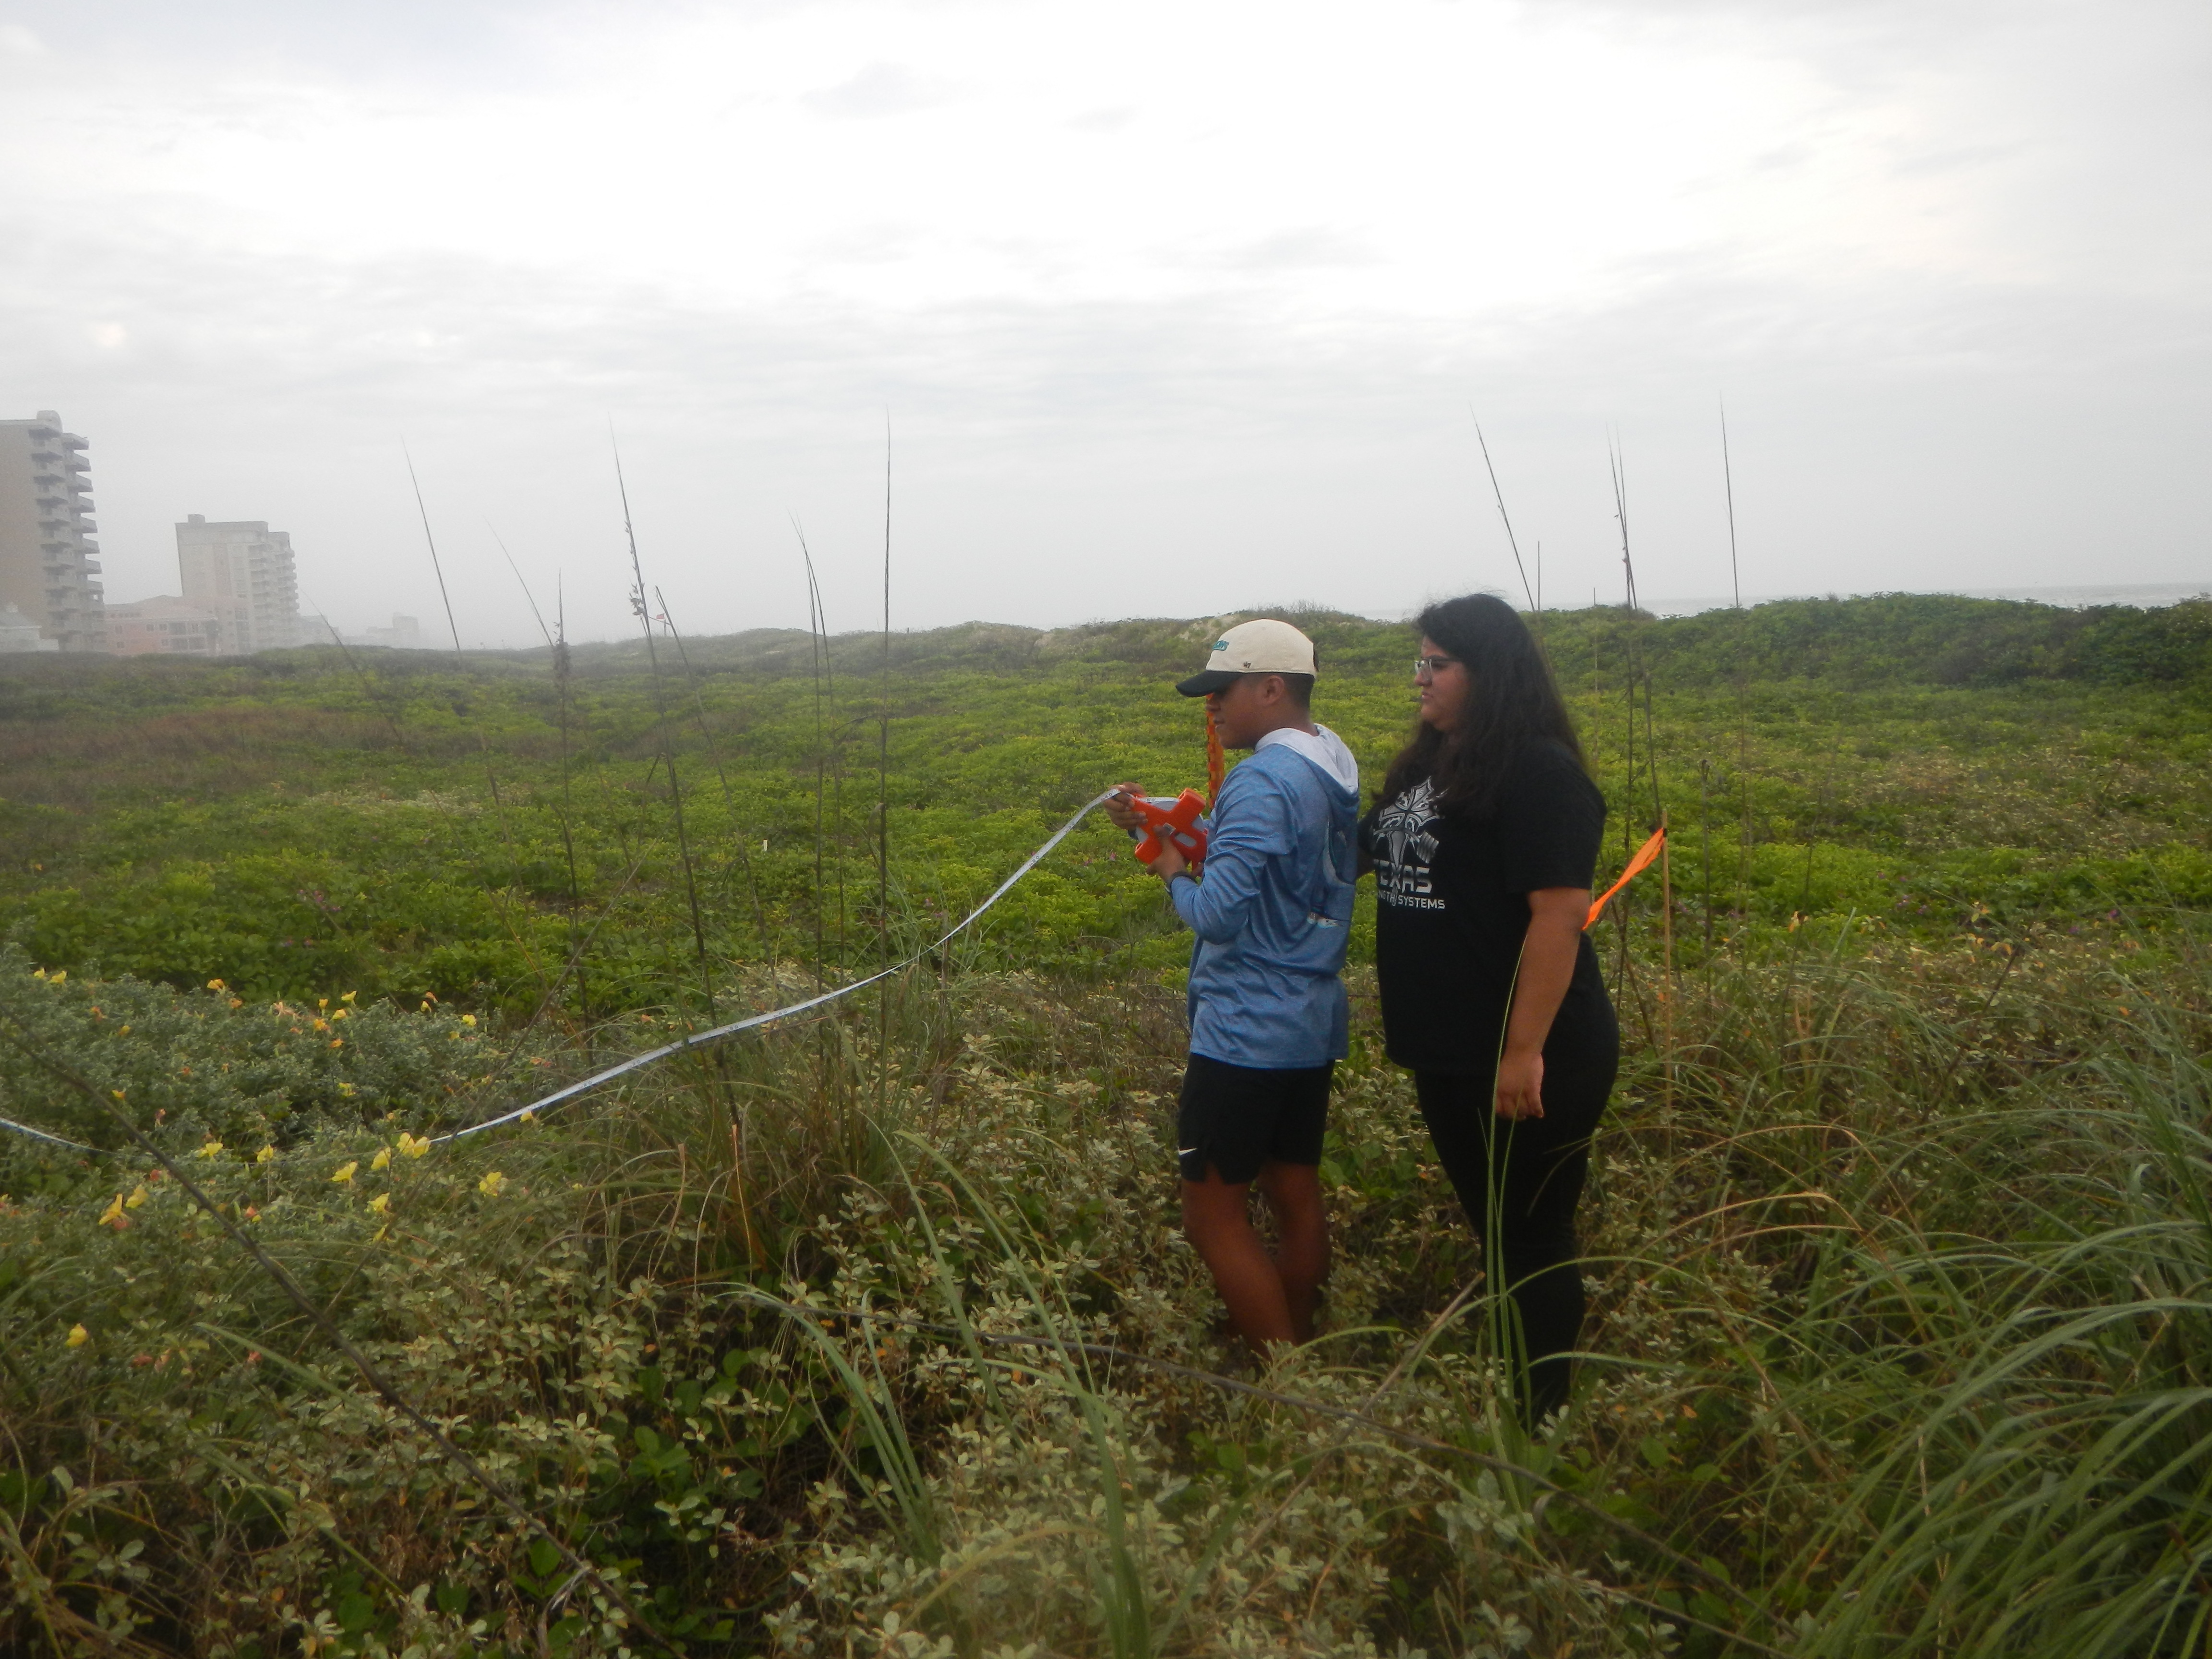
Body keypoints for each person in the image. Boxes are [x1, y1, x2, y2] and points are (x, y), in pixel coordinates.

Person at [1361, 593, 1619, 1425]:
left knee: (1533, 1237)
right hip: (1446, 1046)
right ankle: (1517, 1389)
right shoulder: (1426, 766)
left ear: (1491, 673)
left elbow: (1558, 917)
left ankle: (1540, 1421)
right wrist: (1208, 840)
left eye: (1439, 664)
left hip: (1532, 1053)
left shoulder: (1540, 772)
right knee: (1496, 1230)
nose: (1421, 679)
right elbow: (1356, 855)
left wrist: (1522, 1051)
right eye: (1420, 662)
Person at [1106, 618, 1361, 1352]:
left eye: (1223, 691)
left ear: (1271, 688)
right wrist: (1146, 822)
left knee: (1212, 1218)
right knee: (1294, 1195)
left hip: (1245, 1030)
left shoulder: (1260, 779)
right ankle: (1299, 1340)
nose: (1212, 708)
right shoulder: (1331, 765)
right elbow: (1260, 855)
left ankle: (1285, 1388)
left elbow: (1218, 913)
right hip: (1309, 1023)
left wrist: (1169, 872)